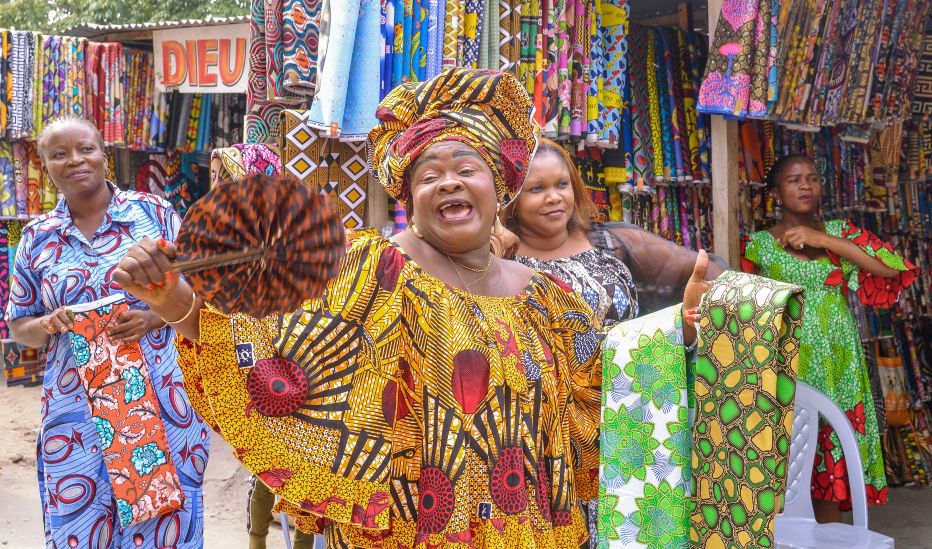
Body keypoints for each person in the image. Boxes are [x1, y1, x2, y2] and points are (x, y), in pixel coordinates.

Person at [111, 69, 713, 547]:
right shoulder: (369, 270)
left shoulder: (546, 300)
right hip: (407, 532)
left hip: (532, 531)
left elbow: (600, 388)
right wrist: (176, 301)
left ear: (498, 187)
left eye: (465, 169)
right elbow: (267, 347)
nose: (448, 183)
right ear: (408, 196)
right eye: (429, 175)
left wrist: (676, 335)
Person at [6, 115, 208, 548]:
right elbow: (19, 325)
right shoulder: (37, 238)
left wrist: (153, 316)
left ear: (104, 154)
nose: (75, 160)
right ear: (45, 164)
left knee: (165, 523)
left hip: (157, 398)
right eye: (59, 154)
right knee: (82, 524)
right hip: (74, 413)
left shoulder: (152, 214)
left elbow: (200, 293)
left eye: (85, 149)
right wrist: (47, 324)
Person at [741, 154, 919, 523]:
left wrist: (821, 238)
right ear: (776, 192)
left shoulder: (841, 232)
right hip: (787, 362)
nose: (806, 186)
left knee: (831, 452)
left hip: (838, 363)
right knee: (788, 456)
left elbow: (892, 269)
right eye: (794, 180)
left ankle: (825, 537)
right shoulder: (757, 245)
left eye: (812, 178)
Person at [505, 137, 728, 327]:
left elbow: (700, 270)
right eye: (537, 189)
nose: (554, 197)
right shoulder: (501, 259)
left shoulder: (609, 243)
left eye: (562, 184)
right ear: (512, 198)